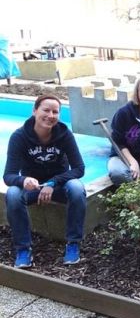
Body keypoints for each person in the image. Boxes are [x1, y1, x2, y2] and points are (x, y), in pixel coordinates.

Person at [3, 95, 86, 267]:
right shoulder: (19, 137)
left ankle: (73, 244)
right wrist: (23, 180)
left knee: (77, 188)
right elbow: (8, 176)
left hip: (59, 186)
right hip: (32, 188)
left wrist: (53, 183)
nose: (51, 115)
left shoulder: (64, 135)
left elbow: (79, 168)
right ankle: (23, 249)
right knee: (12, 194)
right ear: (34, 111)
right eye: (46, 110)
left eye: (55, 112)